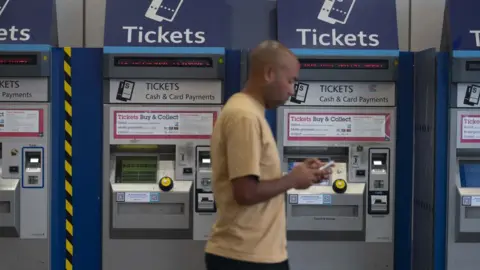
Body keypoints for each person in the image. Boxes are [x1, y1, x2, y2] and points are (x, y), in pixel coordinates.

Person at [204, 40, 332, 270]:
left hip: (255, 254)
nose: (292, 90)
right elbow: (245, 192)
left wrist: (300, 176)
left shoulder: (248, 112)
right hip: (246, 257)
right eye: (291, 80)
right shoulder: (245, 116)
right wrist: (292, 179)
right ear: (269, 73)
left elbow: (254, 181)